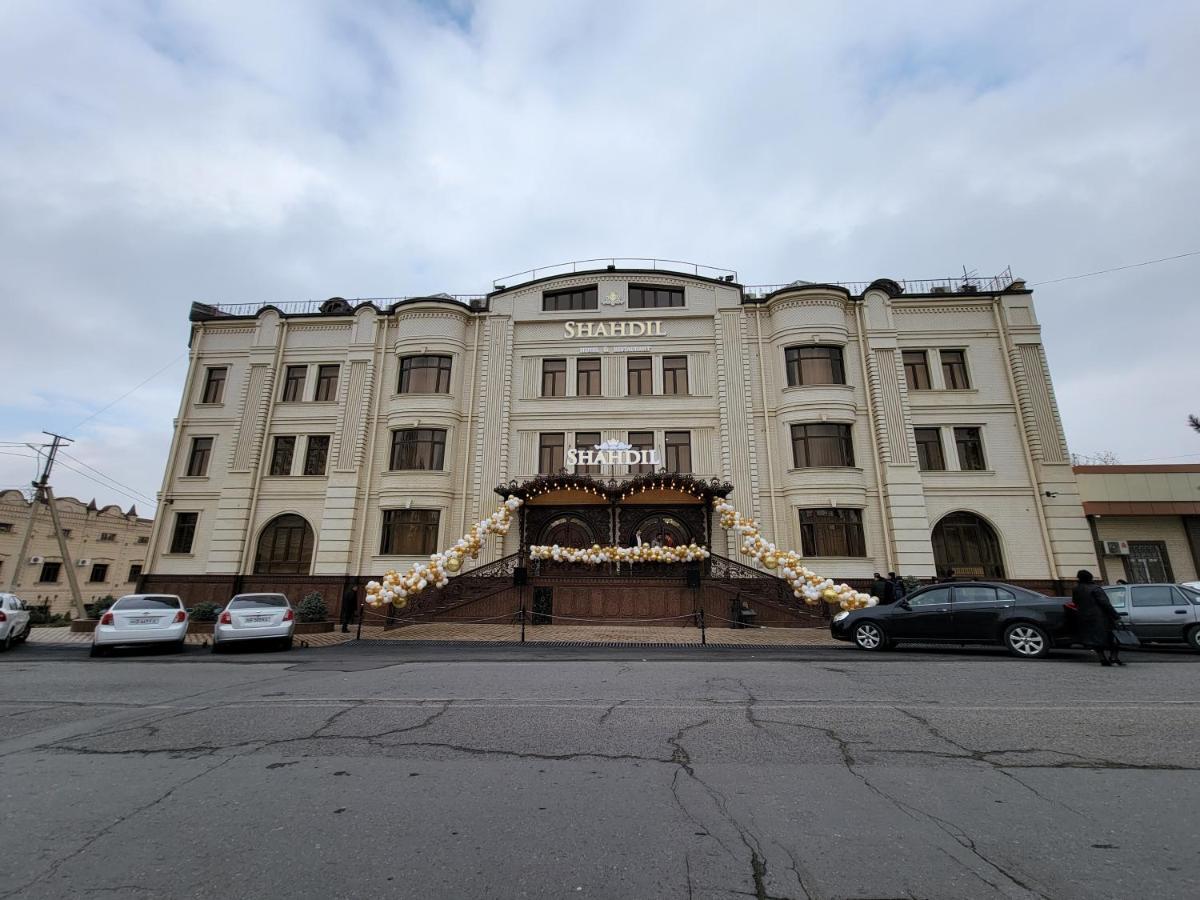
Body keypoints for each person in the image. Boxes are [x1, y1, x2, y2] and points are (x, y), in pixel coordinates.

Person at [1072, 570, 1123, 666]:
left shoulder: (1076, 589)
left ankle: (1102, 658)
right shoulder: (1095, 588)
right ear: (1090, 577)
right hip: (1101, 618)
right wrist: (1116, 616)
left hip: (1085, 617)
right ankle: (1113, 657)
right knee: (1113, 637)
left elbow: (1075, 602)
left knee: (1095, 640)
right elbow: (1105, 603)